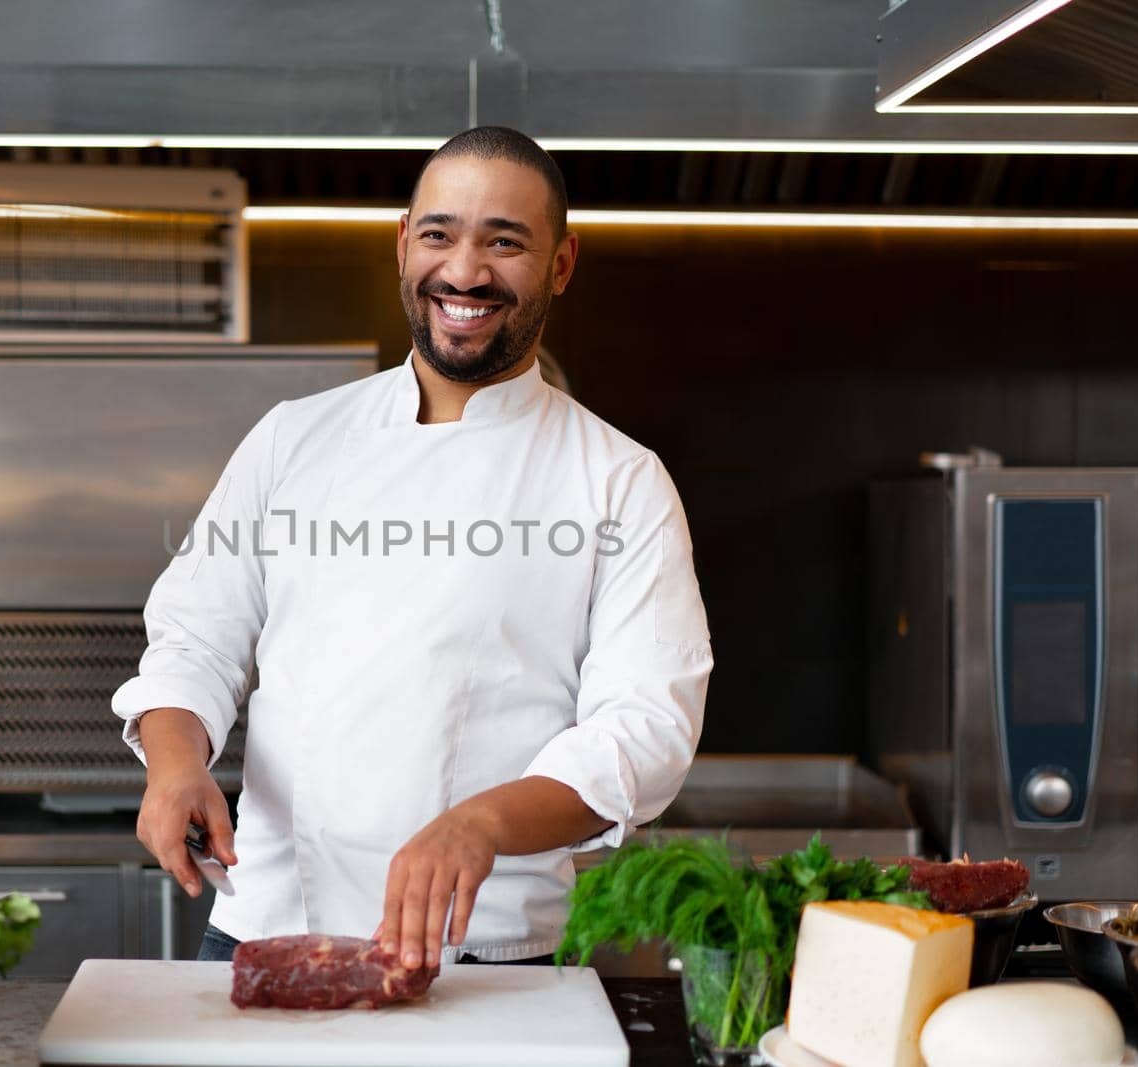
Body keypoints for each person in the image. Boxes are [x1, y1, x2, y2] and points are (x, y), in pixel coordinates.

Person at [112, 126, 711, 969]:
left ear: (563, 263)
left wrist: (483, 821)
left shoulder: (619, 480)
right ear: (403, 243)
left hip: (484, 953)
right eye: (440, 234)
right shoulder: (294, 439)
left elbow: (643, 730)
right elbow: (195, 637)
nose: (464, 271)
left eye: (505, 242)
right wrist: (175, 766)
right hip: (270, 921)